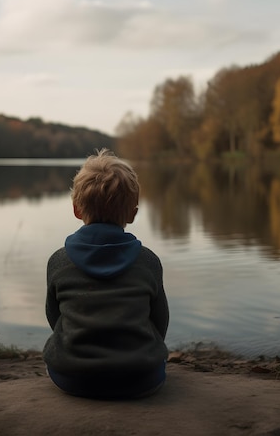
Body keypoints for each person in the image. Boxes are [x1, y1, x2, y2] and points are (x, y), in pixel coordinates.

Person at [42, 148, 169, 399]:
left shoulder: (59, 261)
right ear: (132, 212)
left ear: (77, 210)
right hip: (140, 380)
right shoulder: (148, 262)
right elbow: (159, 321)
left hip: (73, 379)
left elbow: (54, 317)